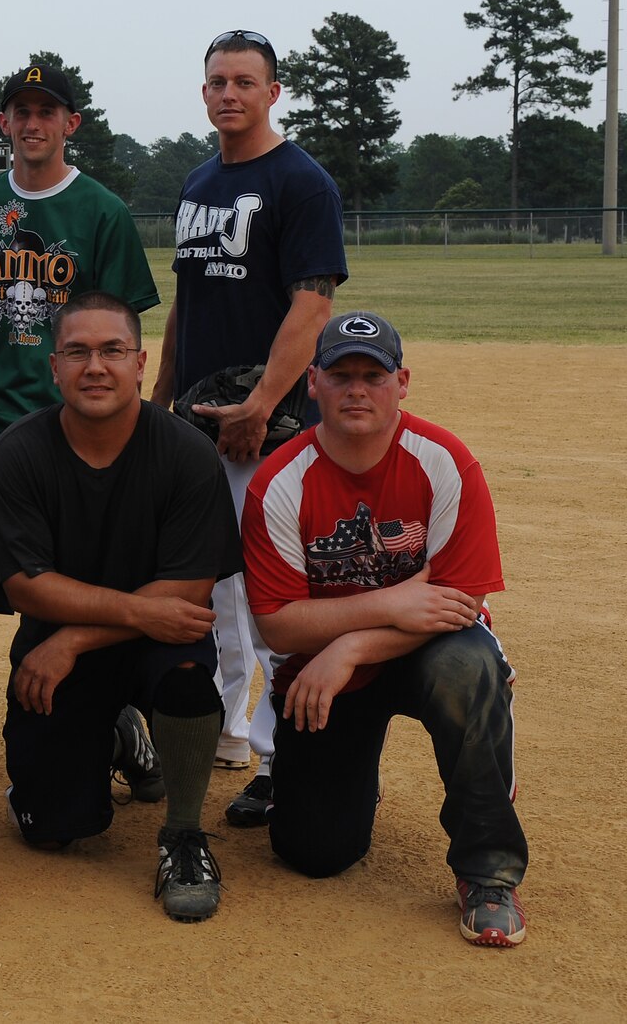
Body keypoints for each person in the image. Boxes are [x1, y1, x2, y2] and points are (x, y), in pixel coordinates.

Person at [244, 312, 527, 946]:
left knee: (468, 666)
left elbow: (458, 600)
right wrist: (395, 600)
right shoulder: (279, 481)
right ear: (312, 382)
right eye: (340, 374)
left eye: (373, 375)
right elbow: (278, 623)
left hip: (426, 646)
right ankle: (351, 785)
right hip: (321, 666)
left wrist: (350, 644)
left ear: (402, 382)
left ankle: (488, 872)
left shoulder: (444, 461)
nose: (356, 389)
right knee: (313, 853)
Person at [0, 63, 162, 794]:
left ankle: (115, 710)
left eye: (47, 111)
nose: (32, 123)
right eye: (19, 110)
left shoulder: (101, 210)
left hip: (74, 434)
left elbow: (124, 323)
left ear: (72, 124)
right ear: (3, 123)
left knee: (86, 583)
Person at [0, 291, 239, 923]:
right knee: (52, 830)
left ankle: (183, 835)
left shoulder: (186, 452)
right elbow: (25, 585)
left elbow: (189, 591)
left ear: (140, 362)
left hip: (133, 644)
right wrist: (124, 616)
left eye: (111, 351)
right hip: (61, 654)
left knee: (187, 679)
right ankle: (122, 735)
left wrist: (73, 637)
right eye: (76, 351)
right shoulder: (18, 452)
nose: (94, 366)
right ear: (53, 367)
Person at [150, 29, 346, 826]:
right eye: (216, 81)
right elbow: (188, 305)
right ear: (203, 94)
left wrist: (263, 403)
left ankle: (283, 756)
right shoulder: (199, 181)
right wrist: (156, 401)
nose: (228, 92)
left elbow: (313, 301)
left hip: (266, 422)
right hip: (196, 414)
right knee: (207, 580)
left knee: (270, 590)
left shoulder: (301, 181)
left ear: (273, 91)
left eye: (244, 81)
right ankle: (230, 727)